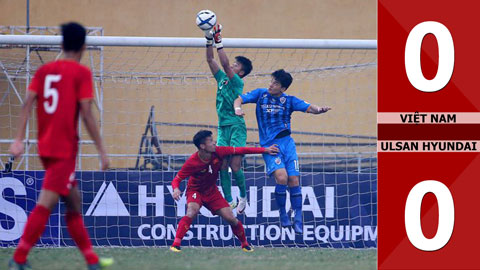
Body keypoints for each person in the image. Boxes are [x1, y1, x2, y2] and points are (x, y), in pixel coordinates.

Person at [8, 22, 113, 270]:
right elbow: (87, 113)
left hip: (46, 147)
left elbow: (27, 102)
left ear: (63, 43)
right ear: (83, 46)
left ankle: (92, 261)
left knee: (73, 200)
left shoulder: (45, 70)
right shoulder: (80, 73)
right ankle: (19, 258)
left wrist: (18, 139)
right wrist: (101, 150)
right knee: (46, 203)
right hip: (63, 149)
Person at [233, 69, 332, 234]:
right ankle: (282, 214)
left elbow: (309, 108)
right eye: (271, 81)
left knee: (294, 180)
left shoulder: (289, 100)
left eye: (276, 83)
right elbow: (239, 98)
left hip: (288, 144)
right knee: (282, 177)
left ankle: (298, 218)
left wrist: (320, 109)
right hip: (270, 146)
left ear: (283, 88)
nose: (271, 85)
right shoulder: (260, 95)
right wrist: (237, 108)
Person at [170, 130, 278, 252]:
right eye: (210, 141)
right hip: (195, 191)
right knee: (191, 211)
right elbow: (177, 179)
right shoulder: (192, 161)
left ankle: (245, 245)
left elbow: (241, 150)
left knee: (231, 218)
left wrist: (265, 150)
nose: (214, 142)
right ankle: (176, 244)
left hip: (212, 192)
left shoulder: (219, 151)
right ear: (202, 146)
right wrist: (176, 189)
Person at [204, 24, 253, 213]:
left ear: (241, 72)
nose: (232, 64)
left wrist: (219, 41)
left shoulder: (237, 81)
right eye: (234, 63)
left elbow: (224, 63)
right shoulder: (221, 79)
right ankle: (229, 200)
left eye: (236, 65)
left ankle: (243, 196)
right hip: (223, 127)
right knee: (222, 164)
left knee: (235, 163)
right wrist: (208, 39)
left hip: (236, 126)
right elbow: (210, 59)